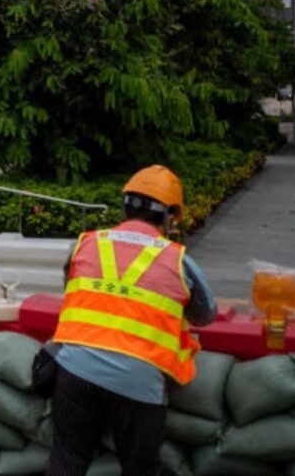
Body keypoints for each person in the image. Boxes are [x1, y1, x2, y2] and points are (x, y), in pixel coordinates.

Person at [48, 165, 217, 475]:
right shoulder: (179, 260)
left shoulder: (85, 243)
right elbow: (205, 315)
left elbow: (73, 290)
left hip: (74, 370)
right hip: (138, 382)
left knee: (67, 460)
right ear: (169, 216)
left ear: (124, 207)